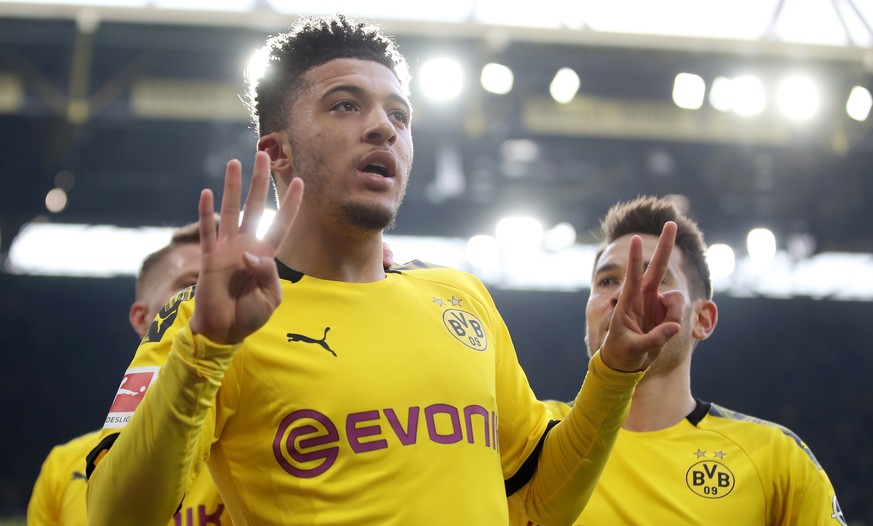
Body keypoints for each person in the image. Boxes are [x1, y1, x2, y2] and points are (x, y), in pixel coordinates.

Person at [85, 15, 685, 525]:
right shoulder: (210, 320)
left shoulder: (462, 298)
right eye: (346, 105)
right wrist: (206, 350)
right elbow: (114, 514)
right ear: (277, 151)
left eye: (399, 115)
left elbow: (537, 504)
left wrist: (615, 371)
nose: (383, 128)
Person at [508, 195, 845, 525]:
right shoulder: (527, 435)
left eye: (653, 277)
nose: (623, 295)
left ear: (702, 319)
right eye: (607, 281)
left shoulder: (774, 457)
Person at [28, 221, 231, 525]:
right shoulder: (62, 466)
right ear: (143, 318)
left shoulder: (263, 445)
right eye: (192, 286)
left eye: (228, 286)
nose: (212, 299)